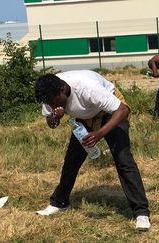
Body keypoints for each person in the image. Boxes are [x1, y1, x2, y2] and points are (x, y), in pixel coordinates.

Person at [34, 70, 151, 231]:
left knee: (123, 160)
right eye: (50, 104)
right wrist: (55, 117)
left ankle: (141, 212)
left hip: (112, 112)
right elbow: (51, 123)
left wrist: (100, 133)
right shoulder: (49, 94)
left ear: (62, 90)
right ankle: (59, 203)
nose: (54, 106)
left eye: (55, 103)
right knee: (71, 162)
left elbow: (123, 111)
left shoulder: (87, 87)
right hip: (84, 117)